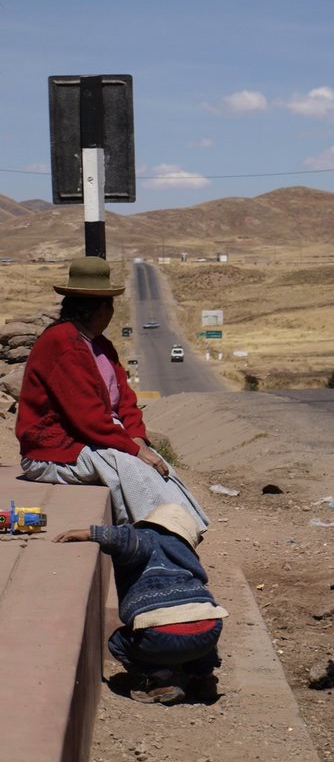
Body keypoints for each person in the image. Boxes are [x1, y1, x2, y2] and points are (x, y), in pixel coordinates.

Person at [16, 256, 208, 529]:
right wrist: (130, 448)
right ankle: (154, 536)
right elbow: (87, 417)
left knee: (155, 464)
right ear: (102, 309)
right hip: (52, 453)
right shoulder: (62, 343)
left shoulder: (101, 345)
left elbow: (126, 401)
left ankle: (186, 530)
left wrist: (138, 439)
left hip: (93, 441)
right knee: (127, 467)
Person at [54, 503, 227, 704]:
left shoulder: (144, 537)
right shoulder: (186, 552)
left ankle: (160, 680)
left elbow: (122, 537)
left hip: (161, 635)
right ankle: (204, 679)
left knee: (119, 642)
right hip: (210, 630)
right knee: (198, 623)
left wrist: (87, 533)